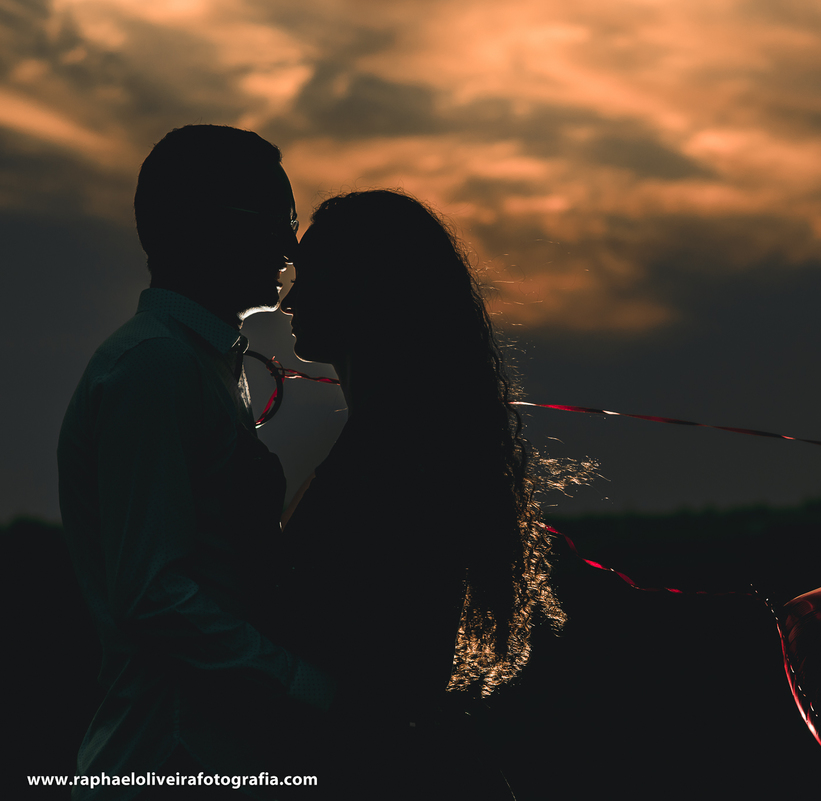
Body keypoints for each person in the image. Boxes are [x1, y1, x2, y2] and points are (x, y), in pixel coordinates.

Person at [57, 125, 337, 800]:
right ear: (204, 225)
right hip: (167, 756)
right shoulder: (154, 368)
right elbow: (156, 597)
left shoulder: (199, 363)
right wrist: (309, 686)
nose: (290, 246)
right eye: (277, 220)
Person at [272, 190, 573, 797]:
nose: (288, 300)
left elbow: (363, 664)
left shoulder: (393, 457)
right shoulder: (408, 439)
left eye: (311, 277)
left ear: (364, 289)